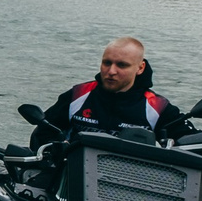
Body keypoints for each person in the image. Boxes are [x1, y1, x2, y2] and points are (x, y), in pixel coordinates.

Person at [47, 36, 191, 139]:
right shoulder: (78, 95)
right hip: (75, 174)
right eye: (107, 63)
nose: (111, 71)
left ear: (140, 68)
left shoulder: (157, 107)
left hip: (133, 178)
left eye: (122, 65)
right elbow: (44, 131)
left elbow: (191, 141)